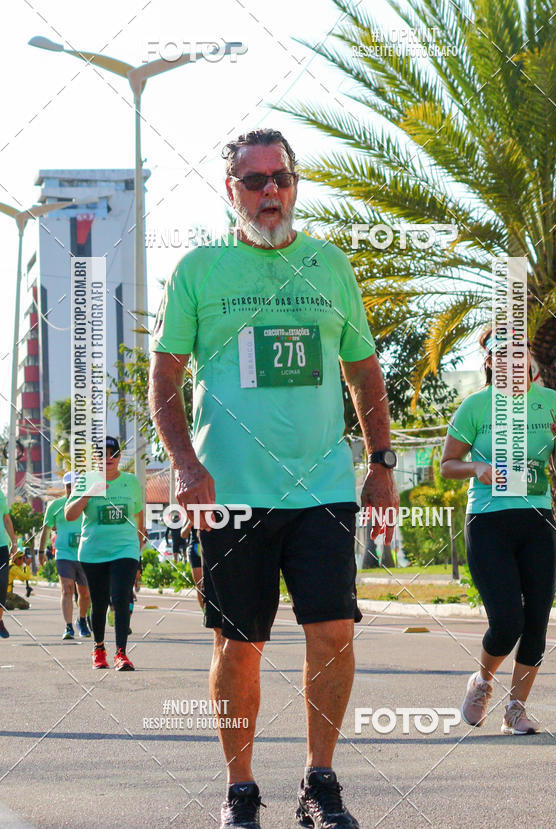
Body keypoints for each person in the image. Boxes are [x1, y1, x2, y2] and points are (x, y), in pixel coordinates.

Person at [149, 128, 398, 829]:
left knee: (333, 632)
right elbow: (164, 374)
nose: (270, 192)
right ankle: (241, 789)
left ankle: (320, 781)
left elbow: (363, 370)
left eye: (281, 179)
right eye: (254, 181)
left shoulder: (329, 264)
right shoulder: (201, 270)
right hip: (230, 492)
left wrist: (380, 464)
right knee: (240, 644)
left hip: (321, 483)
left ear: (295, 183)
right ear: (231, 189)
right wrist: (185, 463)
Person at [441, 328, 556, 735]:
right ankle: (481, 683)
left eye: (521, 356)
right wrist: (476, 469)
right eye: (505, 357)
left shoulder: (550, 402)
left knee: (536, 622)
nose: (515, 363)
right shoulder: (476, 407)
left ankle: (515, 710)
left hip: (537, 518)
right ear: (491, 363)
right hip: (488, 521)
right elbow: (447, 464)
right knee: (506, 621)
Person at [65, 437, 145, 671]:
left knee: (121, 599)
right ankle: (99, 648)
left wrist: (137, 555)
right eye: (102, 454)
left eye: (113, 453)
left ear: (120, 457)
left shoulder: (131, 482)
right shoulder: (86, 480)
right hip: (94, 553)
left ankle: (121, 653)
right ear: (95, 458)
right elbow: (70, 515)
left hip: (125, 550)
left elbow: (139, 520)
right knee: (98, 603)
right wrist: (88, 493)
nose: (108, 458)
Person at [39, 472, 91, 640]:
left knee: (85, 593)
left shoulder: (86, 504)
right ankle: (68, 627)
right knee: (66, 589)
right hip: (64, 554)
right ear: (65, 486)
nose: (71, 488)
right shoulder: (55, 505)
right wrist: (41, 552)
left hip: (85, 554)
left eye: (74, 485)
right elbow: (47, 528)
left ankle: (81, 620)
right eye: (68, 485)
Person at [0, 486, 18, 639]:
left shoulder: (0, 494)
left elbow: (6, 518)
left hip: (1, 548)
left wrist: (13, 541)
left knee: (2, 584)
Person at [180, 520, 203, 610]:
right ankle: (205, 613)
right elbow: (183, 534)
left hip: (212, 546)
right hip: (196, 547)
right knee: (200, 584)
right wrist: (190, 523)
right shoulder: (190, 510)